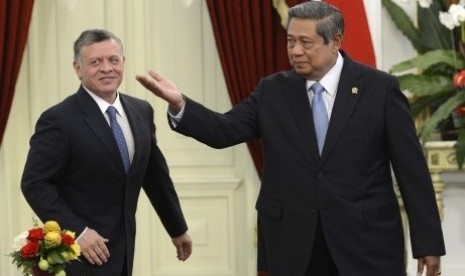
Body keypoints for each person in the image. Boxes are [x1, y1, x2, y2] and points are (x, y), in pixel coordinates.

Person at [136, 1, 445, 276]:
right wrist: (180, 105)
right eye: (290, 41)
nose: (295, 51)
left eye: (305, 43)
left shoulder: (379, 89)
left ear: (335, 41)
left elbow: (412, 172)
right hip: (293, 246)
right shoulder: (272, 91)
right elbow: (224, 130)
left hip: (365, 245)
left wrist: (428, 244)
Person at [21, 29, 192, 276]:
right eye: (95, 62)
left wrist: (177, 228)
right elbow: (34, 183)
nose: (106, 68)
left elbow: (155, 177)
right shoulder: (58, 119)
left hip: (123, 252)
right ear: (78, 68)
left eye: (113, 59)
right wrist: (78, 232)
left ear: (123, 63)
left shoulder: (141, 111)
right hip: (79, 254)